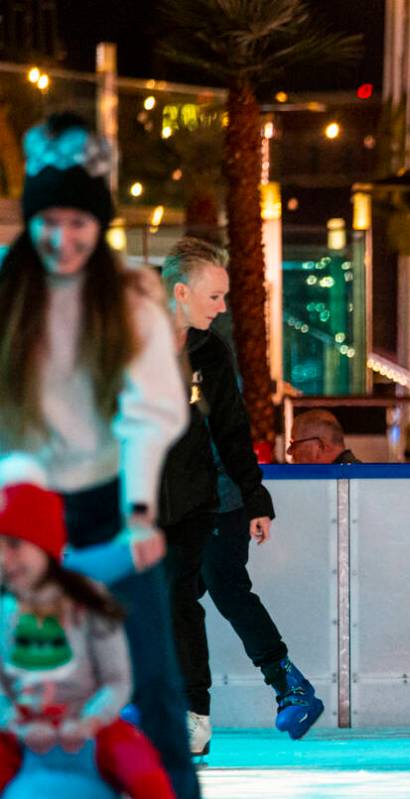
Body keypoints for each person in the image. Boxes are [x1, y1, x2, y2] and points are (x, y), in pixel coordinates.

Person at [0, 113, 197, 798]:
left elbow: (150, 409)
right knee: (12, 681)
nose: (63, 238)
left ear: (100, 222)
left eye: (78, 221)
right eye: (48, 220)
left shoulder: (132, 298)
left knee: (152, 677)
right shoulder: (6, 293)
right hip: (21, 509)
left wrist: (139, 511)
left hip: (109, 503)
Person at [159, 237, 323, 758]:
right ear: (181, 292)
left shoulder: (210, 351)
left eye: (227, 297)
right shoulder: (126, 345)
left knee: (213, 588)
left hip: (214, 498)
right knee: (176, 596)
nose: (224, 308)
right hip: (158, 501)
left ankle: (265, 691)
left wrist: (253, 497)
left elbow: (230, 430)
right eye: (215, 297)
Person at [0, 471, 175, 796]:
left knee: (142, 768)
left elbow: (116, 680)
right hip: (21, 728)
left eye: (13, 545)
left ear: (43, 542)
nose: (4, 559)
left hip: (93, 723)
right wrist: (14, 722)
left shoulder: (89, 602)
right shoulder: (4, 610)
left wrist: (90, 722)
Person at [287, 410, 362, 464]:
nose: (289, 452)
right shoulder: (360, 477)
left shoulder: (341, 479)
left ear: (318, 448)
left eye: (294, 445)